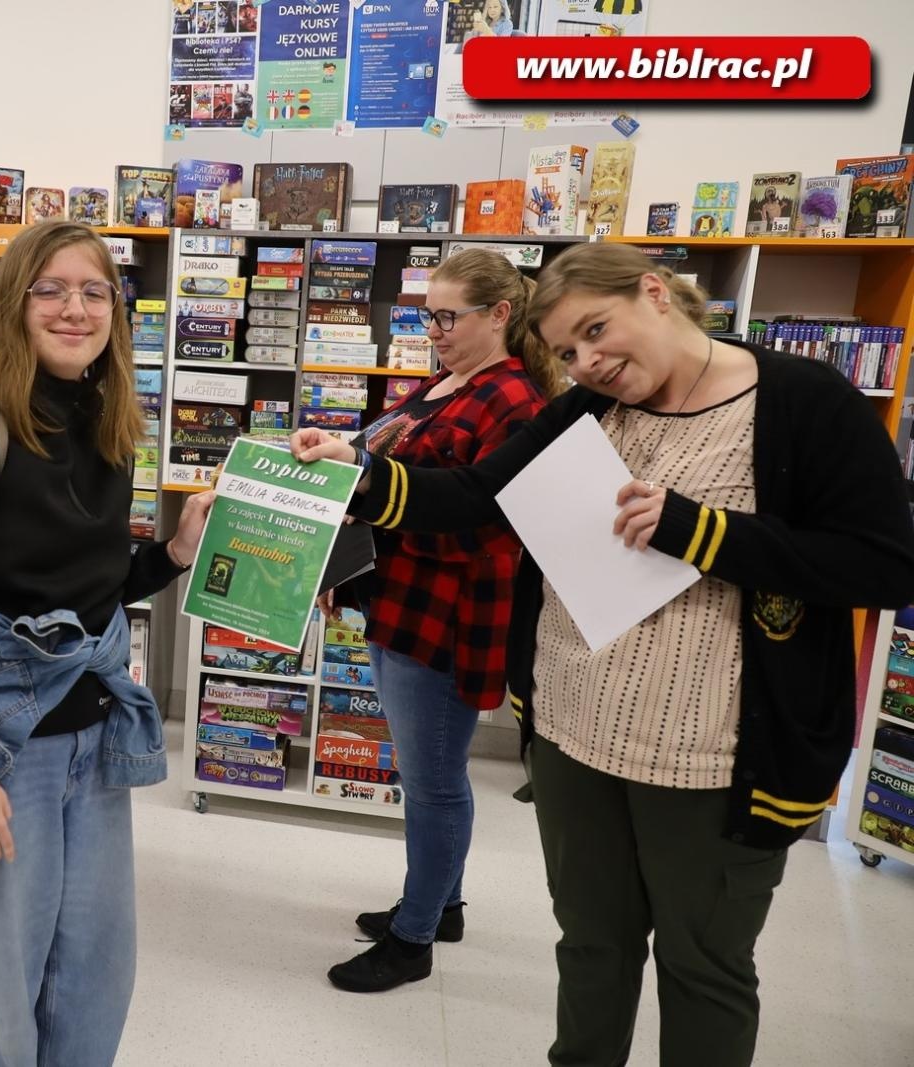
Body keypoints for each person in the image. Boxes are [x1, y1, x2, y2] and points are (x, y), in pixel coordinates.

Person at [290, 241, 914, 1066]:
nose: (587, 362)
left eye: (595, 331)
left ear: (655, 291)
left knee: (703, 968)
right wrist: (363, 472)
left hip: (712, 761)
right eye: (567, 350)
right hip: (573, 736)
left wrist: (704, 532)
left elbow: (884, 564)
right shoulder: (588, 406)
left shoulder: (804, 400)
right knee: (589, 945)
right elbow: (477, 494)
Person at [0, 220, 213, 1067]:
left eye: (95, 292)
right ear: (13, 306)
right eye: (52, 290)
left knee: (93, 977)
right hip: (0, 751)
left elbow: (86, 592)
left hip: (94, 744)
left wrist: (173, 556)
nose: (75, 309)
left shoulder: (106, 425)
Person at [322, 248, 565, 994]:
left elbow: (487, 527)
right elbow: (391, 471)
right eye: (427, 316)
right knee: (426, 770)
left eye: (447, 317)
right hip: (398, 600)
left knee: (432, 781)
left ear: (500, 314)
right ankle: (442, 905)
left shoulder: (515, 401)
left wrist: (377, 502)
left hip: (446, 615)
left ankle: (414, 938)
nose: (433, 330)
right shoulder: (448, 381)